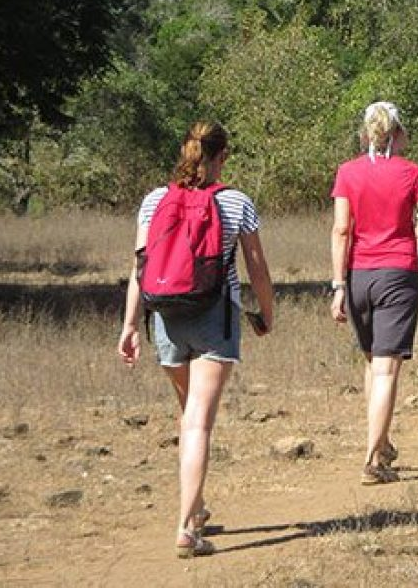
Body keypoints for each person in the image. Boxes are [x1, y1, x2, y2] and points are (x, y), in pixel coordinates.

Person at [117, 121, 275, 559]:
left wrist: (130, 325)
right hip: (214, 318)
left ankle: (197, 506)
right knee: (199, 422)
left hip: (165, 317)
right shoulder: (237, 203)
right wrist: (267, 312)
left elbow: (140, 267)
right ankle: (187, 528)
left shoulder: (154, 201)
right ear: (222, 156)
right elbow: (257, 269)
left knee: (188, 416)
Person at [331, 102, 418, 484]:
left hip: (358, 275)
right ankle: (372, 458)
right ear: (396, 133)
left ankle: (382, 441)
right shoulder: (411, 174)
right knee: (387, 367)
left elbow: (342, 229)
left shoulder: (348, 173)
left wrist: (338, 285)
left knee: (372, 363)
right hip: (397, 273)